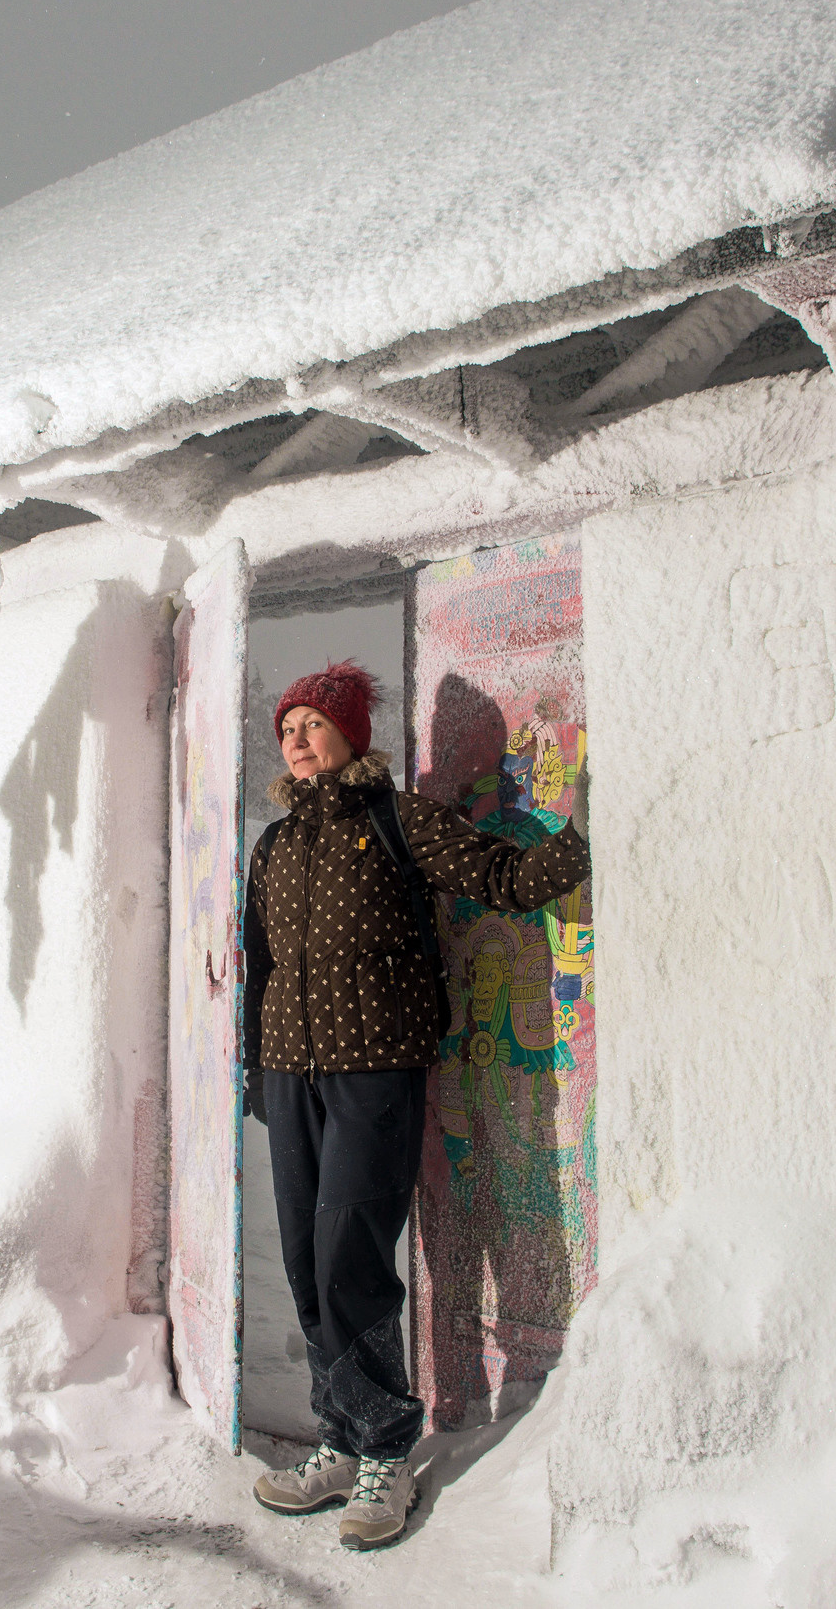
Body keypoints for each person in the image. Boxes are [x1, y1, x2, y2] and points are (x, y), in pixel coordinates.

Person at [241, 660, 590, 1551]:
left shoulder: (401, 821)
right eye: (288, 728)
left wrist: (579, 839)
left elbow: (502, 878)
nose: (298, 739)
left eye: (314, 723)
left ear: (353, 733)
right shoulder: (273, 845)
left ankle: (388, 1451)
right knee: (302, 1260)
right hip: (291, 1074)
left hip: (373, 1072)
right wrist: (256, 1072)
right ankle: (340, 1435)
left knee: (348, 1256)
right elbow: (261, 966)